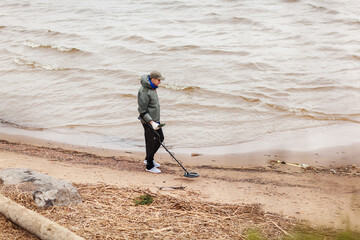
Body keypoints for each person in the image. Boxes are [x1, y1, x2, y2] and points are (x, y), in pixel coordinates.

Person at [137, 70, 165, 173]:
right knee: (150, 142)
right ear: (153, 80)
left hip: (155, 121)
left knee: (160, 138)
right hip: (148, 122)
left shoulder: (152, 88)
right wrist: (151, 122)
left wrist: (155, 122)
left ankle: (149, 158)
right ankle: (149, 166)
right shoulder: (144, 92)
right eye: (158, 80)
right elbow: (142, 110)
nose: (160, 82)